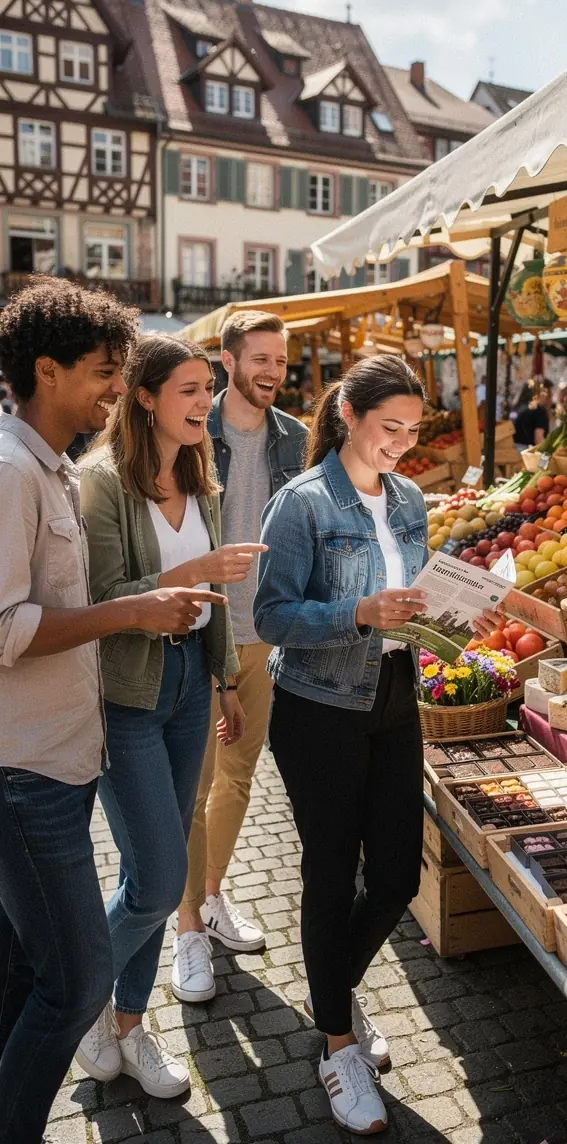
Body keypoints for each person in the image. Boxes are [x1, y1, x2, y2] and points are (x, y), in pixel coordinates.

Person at [254, 355, 500, 1135]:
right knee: (330, 874)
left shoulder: (409, 499)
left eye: (412, 430)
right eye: (389, 428)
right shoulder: (300, 504)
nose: (401, 443)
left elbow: (413, 609)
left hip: (396, 699)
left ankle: (333, 988)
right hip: (317, 706)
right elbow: (270, 617)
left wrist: (460, 627)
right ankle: (336, 1045)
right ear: (348, 418)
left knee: (395, 875)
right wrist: (358, 612)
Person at [0, 281, 223, 1143]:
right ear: (45, 371)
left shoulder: (48, 468)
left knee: (29, 974)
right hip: (28, 770)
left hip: (65, 750)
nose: (110, 389)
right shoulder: (21, 472)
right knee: (73, 981)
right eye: (101, 373)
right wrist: (135, 608)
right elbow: (8, 626)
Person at [77, 334, 265, 1099]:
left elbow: (211, 604)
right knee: (157, 881)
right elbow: (98, 599)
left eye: (207, 390)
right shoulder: (99, 483)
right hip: (126, 692)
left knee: (150, 871)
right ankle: (75, 997)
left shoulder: (201, 477)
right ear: (145, 396)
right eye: (189, 389)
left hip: (189, 683)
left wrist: (222, 679)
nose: (203, 403)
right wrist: (191, 572)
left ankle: (125, 1026)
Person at [174, 310, 307, 1002]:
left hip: (266, 634)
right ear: (229, 361)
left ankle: (215, 894)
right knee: (190, 790)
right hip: (203, 630)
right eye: (260, 359)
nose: (272, 373)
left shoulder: (296, 437)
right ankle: (187, 925)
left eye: (281, 362)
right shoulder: (194, 430)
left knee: (239, 777)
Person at [513, 379, 552, 449]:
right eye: (550, 393)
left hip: (514, 448)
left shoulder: (521, 406)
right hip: (526, 451)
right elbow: (539, 439)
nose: (550, 398)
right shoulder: (539, 411)